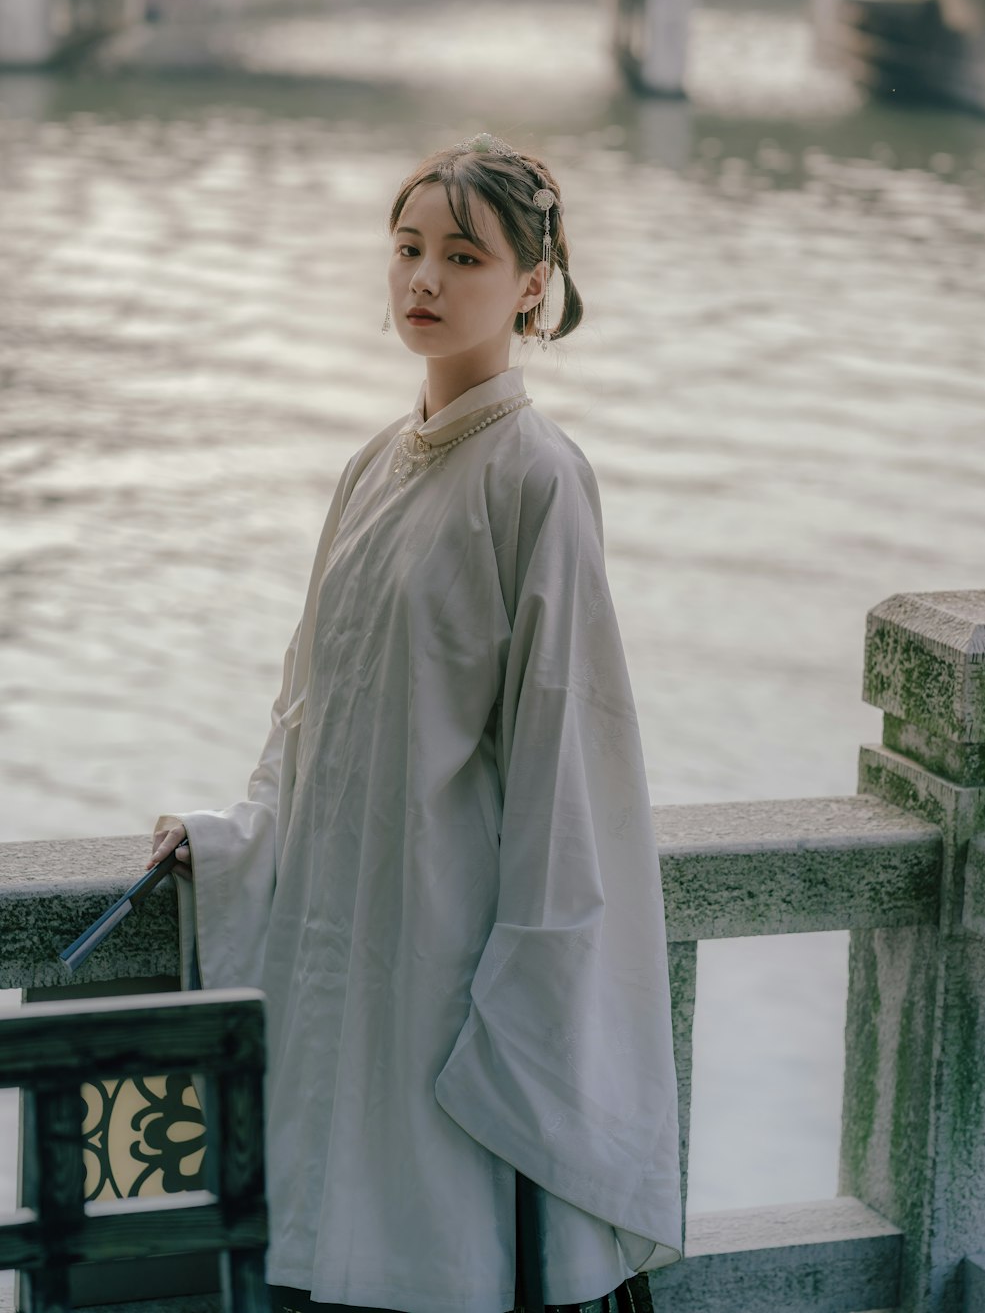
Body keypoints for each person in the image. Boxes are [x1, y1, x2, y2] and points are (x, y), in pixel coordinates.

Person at [150, 133, 683, 1313]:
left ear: (530, 284)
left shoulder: (537, 477)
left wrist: (526, 990)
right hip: (342, 930)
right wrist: (234, 836)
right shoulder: (368, 468)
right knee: (335, 1236)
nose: (424, 281)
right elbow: (306, 712)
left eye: (462, 255)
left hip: (452, 949)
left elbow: (567, 756)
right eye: (406, 250)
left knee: (443, 1254)